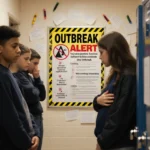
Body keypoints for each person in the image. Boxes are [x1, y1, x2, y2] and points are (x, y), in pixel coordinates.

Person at [93, 31, 136, 150]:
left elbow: (120, 115)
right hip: (112, 142)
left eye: (101, 52)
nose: (99, 56)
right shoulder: (116, 73)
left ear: (112, 51)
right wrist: (97, 101)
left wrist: (102, 141)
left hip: (120, 143)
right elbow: (101, 101)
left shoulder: (129, 75)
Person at [0, 26, 39, 150]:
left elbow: (23, 108)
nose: (18, 51)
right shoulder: (1, 77)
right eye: (13, 46)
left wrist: (34, 133)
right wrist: (26, 143)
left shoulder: (8, 73)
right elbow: (10, 118)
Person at [11, 48, 46, 150]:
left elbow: (42, 96)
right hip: (31, 117)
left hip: (35, 117)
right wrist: (36, 90)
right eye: (34, 63)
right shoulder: (18, 76)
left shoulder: (29, 77)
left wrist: (37, 78)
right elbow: (34, 96)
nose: (36, 67)